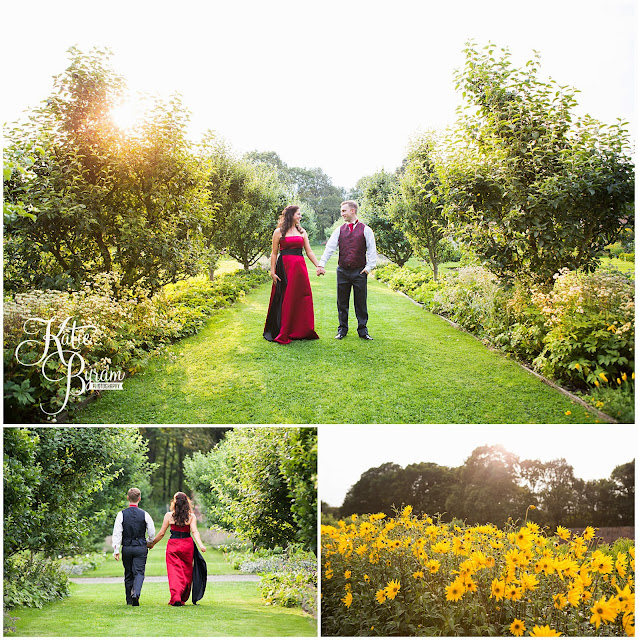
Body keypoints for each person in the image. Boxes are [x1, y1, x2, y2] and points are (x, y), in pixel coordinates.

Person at [317, 200, 377, 339]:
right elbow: (330, 248)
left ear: (352, 211)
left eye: (344, 211)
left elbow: (372, 251)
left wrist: (368, 268)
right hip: (343, 271)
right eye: (341, 211)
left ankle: (363, 331)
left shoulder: (366, 230)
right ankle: (342, 330)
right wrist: (322, 264)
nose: (342, 213)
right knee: (342, 302)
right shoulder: (339, 230)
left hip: (359, 271)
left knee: (361, 303)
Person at [263, 204, 321, 343]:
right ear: (291, 215)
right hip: (285, 267)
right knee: (287, 298)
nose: (300, 216)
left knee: (302, 297)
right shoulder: (278, 232)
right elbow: (274, 253)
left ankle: (302, 329)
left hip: (299, 268)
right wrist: (272, 271)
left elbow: (309, 251)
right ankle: (284, 330)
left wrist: (318, 265)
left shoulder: (302, 231)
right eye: (298, 214)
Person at [148, 491, 207, 606]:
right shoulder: (191, 516)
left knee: (174, 572)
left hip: (173, 545)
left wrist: (152, 543)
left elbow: (161, 533)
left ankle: (176, 597)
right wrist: (201, 545)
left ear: (175, 502)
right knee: (186, 571)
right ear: (186, 502)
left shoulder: (169, 515)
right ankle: (182, 597)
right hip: (187, 545)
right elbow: (194, 531)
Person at [112, 488, 156, 606]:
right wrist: (149, 542)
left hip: (127, 547)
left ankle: (129, 599)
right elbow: (151, 531)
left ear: (128, 498)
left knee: (128, 573)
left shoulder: (121, 514)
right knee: (139, 572)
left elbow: (117, 533)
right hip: (140, 546)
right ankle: (136, 593)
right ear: (139, 499)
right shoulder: (145, 514)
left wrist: (116, 549)